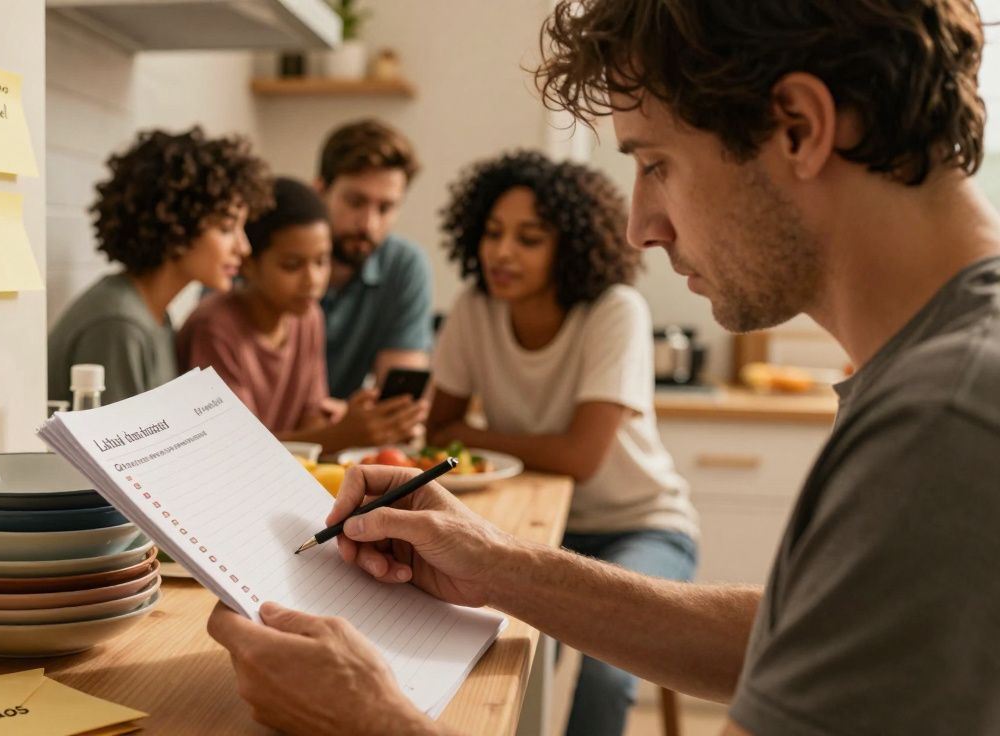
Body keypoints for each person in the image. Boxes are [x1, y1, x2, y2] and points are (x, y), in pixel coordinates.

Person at [206, 2, 1000, 735]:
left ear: (797, 128)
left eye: (655, 163)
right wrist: (500, 567)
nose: (640, 224)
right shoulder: (943, 370)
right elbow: (809, 637)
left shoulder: (944, 421)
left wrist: (377, 724)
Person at [431, 151, 697, 735]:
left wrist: (471, 435)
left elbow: (580, 457)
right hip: (541, 526)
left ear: (569, 246)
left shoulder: (614, 311)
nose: (501, 253)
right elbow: (434, 430)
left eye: (529, 238)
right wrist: (461, 434)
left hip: (641, 526)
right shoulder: (474, 309)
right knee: (498, 652)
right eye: (493, 233)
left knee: (606, 673)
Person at [178, 177, 428, 451]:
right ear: (247, 263)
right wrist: (342, 435)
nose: (313, 280)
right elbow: (236, 449)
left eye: (322, 261)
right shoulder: (215, 328)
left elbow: (310, 419)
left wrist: (349, 419)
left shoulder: (307, 316)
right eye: (292, 265)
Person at [47, 128, 272, 405]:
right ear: (177, 224)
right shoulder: (119, 325)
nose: (244, 247)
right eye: (227, 228)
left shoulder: (154, 316)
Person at [315, 119, 434, 402]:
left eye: (386, 207)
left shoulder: (404, 266)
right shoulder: (260, 254)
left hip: (343, 437)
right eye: (355, 202)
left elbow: (399, 400)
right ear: (320, 191)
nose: (368, 224)